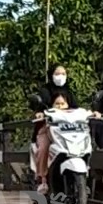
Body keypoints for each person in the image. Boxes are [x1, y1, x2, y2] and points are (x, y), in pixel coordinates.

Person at [30, 64, 78, 194]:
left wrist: (92, 113)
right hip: (47, 128)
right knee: (44, 146)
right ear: (51, 75)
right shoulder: (44, 91)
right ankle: (42, 178)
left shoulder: (69, 92)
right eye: (57, 73)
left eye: (63, 73)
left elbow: (77, 108)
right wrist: (40, 113)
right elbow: (38, 108)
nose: (60, 76)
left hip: (67, 129)